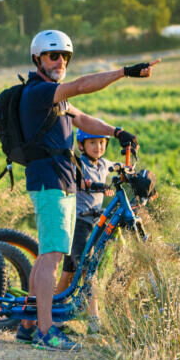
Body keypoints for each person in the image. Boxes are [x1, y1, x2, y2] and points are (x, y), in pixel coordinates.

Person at [16, 29, 158, 351]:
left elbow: (81, 118)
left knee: (45, 257)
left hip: (60, 181)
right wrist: (125, 72)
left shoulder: (56, 97)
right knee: (53, 258)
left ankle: (27, 325)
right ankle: (45, 331)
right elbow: (81, 87)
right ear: (38, 58)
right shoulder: (39, 92)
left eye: (65, 56)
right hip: (50, 181)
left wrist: (116, 131)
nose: (61, 61)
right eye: (54, 55)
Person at [54, 129, 115, 334]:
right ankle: (83, 321)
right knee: (79, 271)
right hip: (78, 224)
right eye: (93, 143)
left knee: (79, 273)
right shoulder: (77, 164)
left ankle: (68, 320)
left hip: (94, 225)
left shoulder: (104, 164)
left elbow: (121, 168)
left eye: (101, 143)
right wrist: (97, 186)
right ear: (82, 146)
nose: (98, 147)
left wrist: (133, 169)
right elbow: (78, 182)